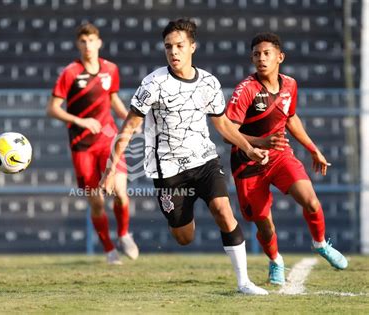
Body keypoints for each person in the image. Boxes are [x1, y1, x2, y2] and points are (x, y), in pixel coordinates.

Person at [100, 19, 269, 295]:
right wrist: (110, 170)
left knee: (223, 212)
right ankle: (182, 214)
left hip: (204, 161)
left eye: (179, 46)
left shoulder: (209, 83)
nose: (174, 52)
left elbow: (223, 124)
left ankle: (244, 282)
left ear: (192, 46)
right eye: (168, 47)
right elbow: (129, 127)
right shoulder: (153, 84)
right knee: (184, 237)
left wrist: (248, 148)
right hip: (167, 171)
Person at [225, 32, 348, 285]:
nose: (261, 58)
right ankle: (275, 261)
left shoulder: (290, 85)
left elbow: (290, 118)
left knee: (311, 201)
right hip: (248, 165)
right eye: (257, 54)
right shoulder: (246, 90)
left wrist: (313, 148)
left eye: (267, 53)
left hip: (280, 157)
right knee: (265, 225)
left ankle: (320, 243)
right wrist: (258, 143)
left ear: (280, 57)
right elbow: (229, 133)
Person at [46, 22, 139, 265]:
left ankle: (123, 234)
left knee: (120, 192)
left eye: (91, 40)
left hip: (108, 140)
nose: (88, 45)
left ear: (99, 43)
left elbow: (113, 99)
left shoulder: (111, 69)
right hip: (81, 145)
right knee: (96, 201)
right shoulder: (70, 73)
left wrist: (129, 118)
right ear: (78, 44)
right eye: (83, 41)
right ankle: (109, 250)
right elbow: (53, 109)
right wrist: (80, 120)